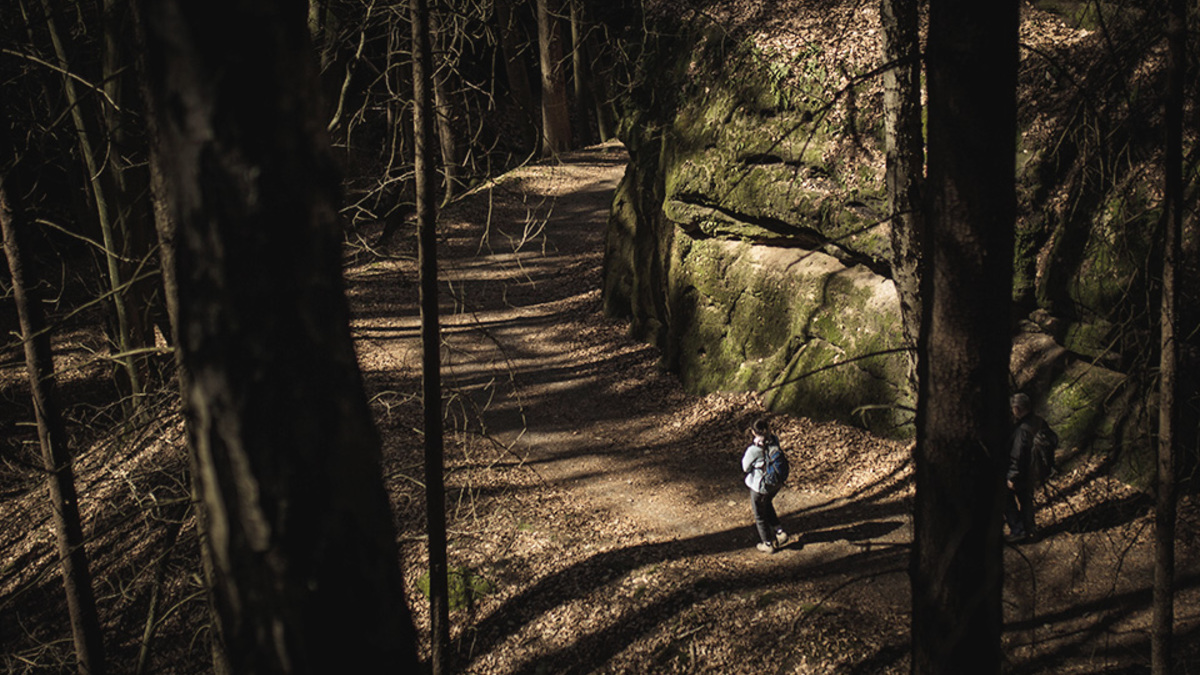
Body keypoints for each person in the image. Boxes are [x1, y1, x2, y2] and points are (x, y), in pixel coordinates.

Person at [742, 418, 789, 553]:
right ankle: (779, 531)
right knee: (767, 503)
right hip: (776, 483)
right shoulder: (774, 440)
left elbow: (745, 467)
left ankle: (767, 544)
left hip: (760, 486)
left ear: (753, 432)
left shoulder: (753, 450)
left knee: (759, 514)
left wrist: (755, 447)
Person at [1005, 393, 1039, 543]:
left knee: (1007, 498)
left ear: (1017, 408)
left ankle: (1019, 530)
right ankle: (1030, 529)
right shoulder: (1037, 421)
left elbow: (1017, 455)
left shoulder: (1021, 430)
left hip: (1021, 472)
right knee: (1026, 501)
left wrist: (1012, 476)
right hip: (1032, 470)